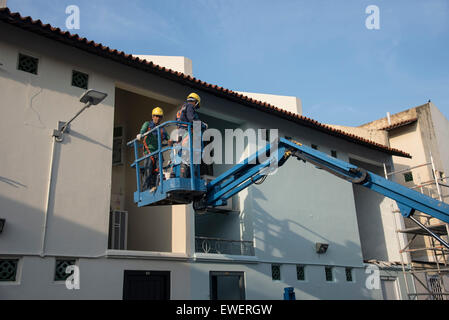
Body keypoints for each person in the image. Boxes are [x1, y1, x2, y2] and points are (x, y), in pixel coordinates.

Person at [137, 107, 173, 191]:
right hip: (149, 152)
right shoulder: (148, 124)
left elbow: (168, 138)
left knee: (158, 170)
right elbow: (143, 130)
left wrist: (170, 141)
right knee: (148, 170)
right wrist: (140, 134)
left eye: (159, 116)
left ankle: (155, 186)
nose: (157, 118)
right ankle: (146, 188)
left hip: (158, 152)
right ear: (152, 116)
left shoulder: (161, 129)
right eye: (156, 116)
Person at [174, 93, 207, 178]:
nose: (196, 107)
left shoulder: (181, 109)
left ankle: (185, 175)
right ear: (195, 102)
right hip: (187, 133)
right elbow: (191, 119)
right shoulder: (190, 106)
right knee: (189, 157)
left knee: (185, 155)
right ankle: (189, 177)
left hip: (182, 134)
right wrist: (202, 124)